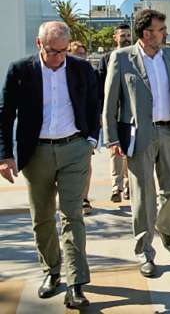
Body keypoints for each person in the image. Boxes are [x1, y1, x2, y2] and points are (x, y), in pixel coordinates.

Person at [0, 21, 100, 308]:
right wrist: (5, 155)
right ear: (38, 44)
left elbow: (94, 103)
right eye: (52, 51)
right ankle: (52, 272)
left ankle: (76, 283)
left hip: (74, 150)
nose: (58, 57)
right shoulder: (20, 70)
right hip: (37, 154)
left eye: (63, 51)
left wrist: (91, 140)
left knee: (72, 217)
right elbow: (5, 114)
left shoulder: (81, 68)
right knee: (42, 219)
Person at [103, 9, 170, 277]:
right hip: (140, 135)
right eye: (161, 30)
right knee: (143, 195)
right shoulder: (121, 57)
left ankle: (163, 226)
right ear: (146, 33)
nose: (165, 34)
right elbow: (110, 102)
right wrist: (112, 138)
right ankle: (145, 252)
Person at [97, 23, 132, 202]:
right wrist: (103, 114)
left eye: (128, 35)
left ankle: (127, 186)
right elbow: (102, 88)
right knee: (114, 150)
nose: (126, 38)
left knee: (128, 150)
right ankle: (115, 187)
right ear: (115, 38)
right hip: (113, 112)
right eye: (123, 35)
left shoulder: (134, 56)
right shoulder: (106, 58)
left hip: (130, 114)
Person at [68, 41, 94, 215]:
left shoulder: (88, 72)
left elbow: (95, 100)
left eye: (83, 53)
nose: (81, 57)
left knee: (86, 163)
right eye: (77, 53)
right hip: (64, 129)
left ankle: (84, 197)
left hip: (83, 128)